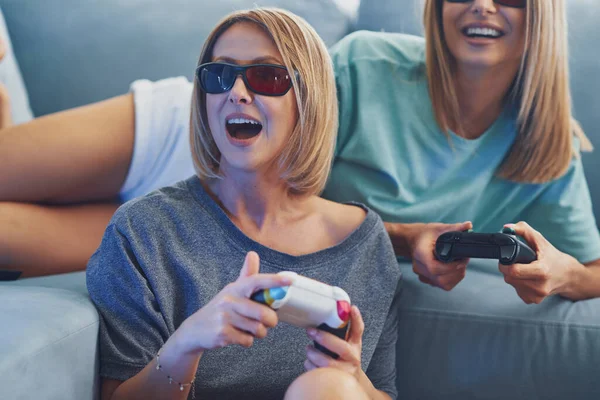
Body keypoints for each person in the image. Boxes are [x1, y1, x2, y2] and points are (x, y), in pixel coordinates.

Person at [2, 0, 599, 304]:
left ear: (542, 15)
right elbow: (287, 187)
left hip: (204, 229)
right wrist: (405, 235)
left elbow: (592, 271)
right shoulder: (368, 63)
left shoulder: (544, 148)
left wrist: (565, 274)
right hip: (189, 139)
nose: (483, 4)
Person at [86, 8, 401, 400]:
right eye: (219, 76)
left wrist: (353, 378)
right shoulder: (143, 232)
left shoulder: (365, 242)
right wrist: (188, 343)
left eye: (266, 76)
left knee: (326, 385)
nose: (235, 92)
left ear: (309, 99)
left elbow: (384, 394)